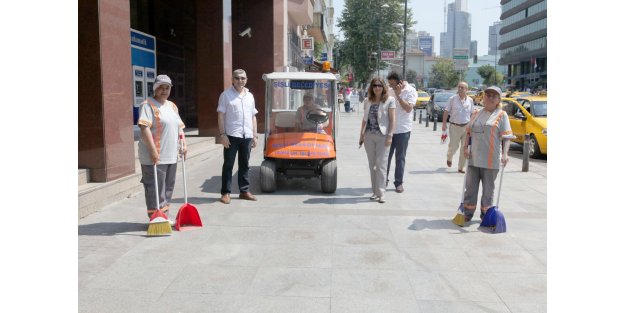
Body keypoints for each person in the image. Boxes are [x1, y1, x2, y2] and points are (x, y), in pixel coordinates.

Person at [462, 86, 515, 221]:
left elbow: (507, 137)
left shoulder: (502, 115)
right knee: (470, 188)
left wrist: (505, 154)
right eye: (487, 95)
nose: (490, 98)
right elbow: (468, 132)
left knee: (488, 191)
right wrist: (465, 147)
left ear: (498, 100)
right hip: (474, 157)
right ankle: (467, 213)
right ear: (483, 97)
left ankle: (486, 216)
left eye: (493, 96)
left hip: (491, 160)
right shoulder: (476, 113)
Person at [137, 74, 187, 220]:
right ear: (155, 89)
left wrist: (184, 143)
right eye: (161, 88)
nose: (164, 91)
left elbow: (179, 127)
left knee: (168, 188)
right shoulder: (147, 105)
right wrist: (153, 151)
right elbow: (144, 128)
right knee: (155, 189)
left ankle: (164, 217)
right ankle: (155, 220)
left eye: (167, 88)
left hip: (171, 155)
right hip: (155, 156)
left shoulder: (172, 106)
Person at [217, 69, 259, 204]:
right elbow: (221, 115)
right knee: (228, 165)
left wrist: (255, 135)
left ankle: (244, 191)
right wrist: (223, 135)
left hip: (247, 135)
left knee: (245, 164)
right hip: (231, 135)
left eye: (243, 78)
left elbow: (253, 116)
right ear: (232, 79)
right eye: (237, 78)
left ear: (246, 79)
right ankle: (226, 193)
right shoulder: (226, 95)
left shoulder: (250, 96)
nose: (240, 80)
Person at [359, 77, 396, 203]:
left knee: (381, 165)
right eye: (374, 85)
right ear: (372, 87)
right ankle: (374, 192)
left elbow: (392, 120)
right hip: (369, 135)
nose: (377, 88)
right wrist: (361, 135)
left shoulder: (390, 100)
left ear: (383, 87)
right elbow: (364, 119)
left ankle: (381, 193)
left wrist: (390, 136)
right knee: (372, 165)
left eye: (379, 85)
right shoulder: (367, 101)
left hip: (383, 136)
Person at [385, 72, 417, 193]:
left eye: (393, 84)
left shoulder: (411, 91)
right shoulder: (389, 90)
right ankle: (384, 180)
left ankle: (398, 183)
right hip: (389, 129)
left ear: (400, 82)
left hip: (403, 129)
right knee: (386, 157)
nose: (391, 87)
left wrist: (398, 96)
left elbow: (408, 108)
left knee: (400, 157)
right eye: (390, 84)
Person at [442, 81, 474, 173]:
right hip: (454, 126)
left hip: (466, 127)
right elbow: (446, 111)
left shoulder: (470, 100)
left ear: (467, 90)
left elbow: (472, 113)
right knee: (453, 146)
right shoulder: (452, 99)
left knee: (465, 147)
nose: (460, 89)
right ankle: (449, 157)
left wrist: (471, 125)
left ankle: (461, 167)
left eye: (462, 87)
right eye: (459, 87)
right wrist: (444, 124)